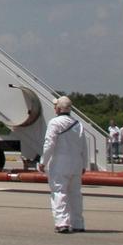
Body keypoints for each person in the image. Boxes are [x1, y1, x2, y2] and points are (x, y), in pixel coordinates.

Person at [39, 96, 87, 233]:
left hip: (60, 163)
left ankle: (62, 223)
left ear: (59, 109)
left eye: (55, 106)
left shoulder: (54, 123)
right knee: (75, 194)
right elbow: (84, 146)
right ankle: (78, 223)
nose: (54, 108)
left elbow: (49, 144)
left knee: (59, 192)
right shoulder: (78, 124)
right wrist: (84, 164)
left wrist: (43, 161)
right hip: (76, 163)